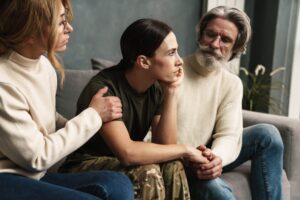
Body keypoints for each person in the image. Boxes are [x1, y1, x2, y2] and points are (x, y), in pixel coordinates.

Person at [59, 18, 208, 200]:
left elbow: (165, 146)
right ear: (144, 62)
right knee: (148, 171)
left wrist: (171, 92)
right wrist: (186, 149)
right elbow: (127, 153)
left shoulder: (156, 87)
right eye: (171, 53)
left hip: (118, 164)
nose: (179, 61)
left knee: (174, 165)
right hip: (82, 166)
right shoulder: (105, 89)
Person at [0, 0, 134, 199]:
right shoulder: (4, 83)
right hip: (7, 179)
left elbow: (43, 119)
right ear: (29, 31)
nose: (69, 28)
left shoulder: (44, 66)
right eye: (61, 23)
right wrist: (92, 116)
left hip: (33, 176)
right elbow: (37, 157)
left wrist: (97, 125)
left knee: (118, 184)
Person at [177, 6, 284, 200]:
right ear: (200, 35)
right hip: (179, 158)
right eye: (210, 34)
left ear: (235, 48)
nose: (215, 44)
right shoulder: (174, 72)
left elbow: (228, 134)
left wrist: (216, 158)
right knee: (213, 188)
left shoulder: (231, 83)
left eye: (225, 40)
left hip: (207, 153)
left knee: (268, 135)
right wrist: (197, 158)